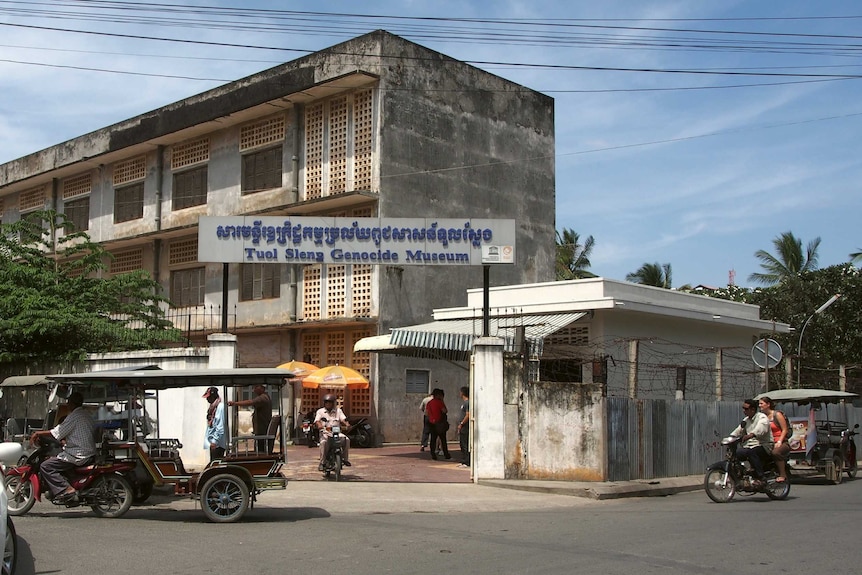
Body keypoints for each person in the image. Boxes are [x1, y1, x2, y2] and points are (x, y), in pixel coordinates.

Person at [29, 391, 96, 502]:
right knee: (56, 458)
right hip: (87, 452)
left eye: (68, 402)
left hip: (78, 454)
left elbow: (57, 432)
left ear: (72, 403)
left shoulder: (74, 416)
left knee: (46, 466)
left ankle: (67, 489)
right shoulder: (85, 415)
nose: (67, 405)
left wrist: (38, 433)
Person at [729, 398, 773, 487]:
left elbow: (761, 429)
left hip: (764, 445)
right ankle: (743, 474)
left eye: (746, 409)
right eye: (743, 408)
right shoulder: (746, 420)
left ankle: (761, 477)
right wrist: (730, 438)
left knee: (752, 452)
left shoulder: (762, 417)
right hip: (750, 446)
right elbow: (738, 430)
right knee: (735, 454)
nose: (744, 411)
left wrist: (752, 434)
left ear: (753, 409)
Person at [228, 384, 273, 453]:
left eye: (256, 387)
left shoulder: (263, 398)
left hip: (262, 431)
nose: (254, 390)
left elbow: (250, 402)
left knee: (260, 452)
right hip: (260, 431)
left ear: (262, 388)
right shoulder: (264, 397)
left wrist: (235, 403)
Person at [314, 394, 351, 471]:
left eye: (330, 402)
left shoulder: (338, 411)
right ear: (324, 403)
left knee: (346, 439)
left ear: (333, 403)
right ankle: (322, 463)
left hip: (336, 432)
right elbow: (317, 421)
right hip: (325, 433)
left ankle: (345, 459)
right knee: (323, 442)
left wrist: (347, 424)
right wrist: (320, 426)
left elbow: (343, 419)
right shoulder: (320, 411)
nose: (328, 404)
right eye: (327, 402)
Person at [759, 396, 791, 482]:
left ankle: (783, 474)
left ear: (768, 404)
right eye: (759, 404)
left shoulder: (777, 415)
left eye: (761, 403)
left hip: (780, 441)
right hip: (767, 442)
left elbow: (784, 429)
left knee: (775, 452)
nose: (760, 405)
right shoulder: (761, 417)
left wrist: (780, 441)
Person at [425, 388, 451, 461]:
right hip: (440, 423)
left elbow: (426, 412)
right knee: (443, 439)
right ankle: (446, 455)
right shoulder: (439, 402)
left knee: (433, 439)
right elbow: (445, 411)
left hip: (431, 423)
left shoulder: (429, 403)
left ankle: (433, 454)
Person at [203, 386, 226, 461]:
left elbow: (220, 426)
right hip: (212, 441)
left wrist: (215, 441)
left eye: (208, 397)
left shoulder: (220, 407)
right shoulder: (212, 407)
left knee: (216, 462)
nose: (207, 399)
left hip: (218, 443)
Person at [456, 386, 470, 468]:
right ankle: (464, 460)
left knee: (465, 443)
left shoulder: (467, 403)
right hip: (463, 426)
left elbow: (468, 415)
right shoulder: (464, 403)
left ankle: (466, 461)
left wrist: (461, 423)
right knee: (462, 443)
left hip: (465, 426)